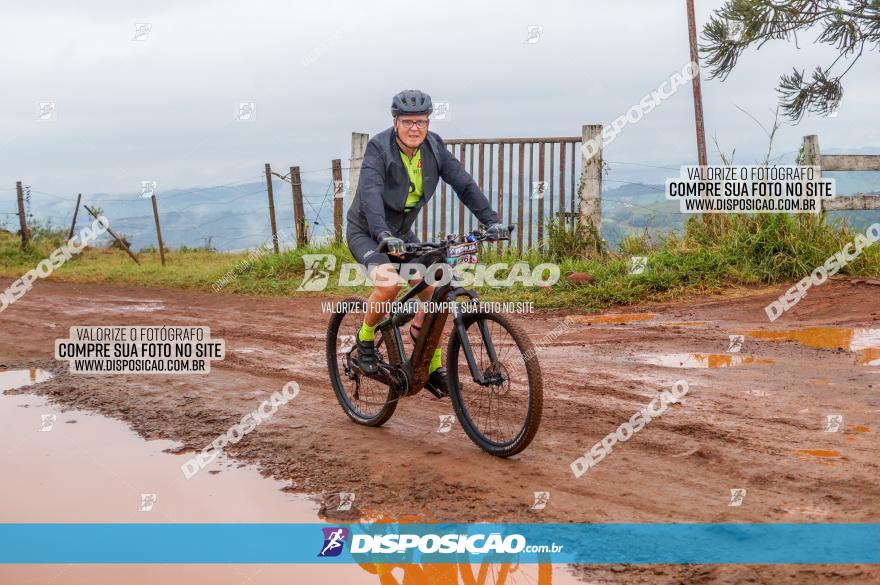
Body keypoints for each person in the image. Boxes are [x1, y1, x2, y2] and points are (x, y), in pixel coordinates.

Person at [345, 89, 509, 396]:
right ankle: (365, 340)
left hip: (402, 236)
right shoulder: (378, 148)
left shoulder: (434, 148)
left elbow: (463, 184)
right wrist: (382, 235)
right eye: (407, 121)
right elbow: (370, 196)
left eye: (420, 121)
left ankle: (430, 366)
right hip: (368, 232)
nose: (414, 128)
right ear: (395, 123)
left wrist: (491, 221)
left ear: (428, 122)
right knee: (389, 285)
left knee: (436, 291)